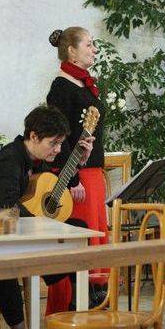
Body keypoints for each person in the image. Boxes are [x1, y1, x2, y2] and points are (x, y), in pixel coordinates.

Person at [0, 105, 93, 329]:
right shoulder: (10, 160)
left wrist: (79, 162)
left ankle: (82, 302)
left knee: (79, 228)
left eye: (60, 144)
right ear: (34, 136)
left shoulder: (32, 157)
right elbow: (6, 207)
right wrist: (44, 225)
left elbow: (50, 186)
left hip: (20, 234)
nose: (58, 150)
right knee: (4, 271)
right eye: (53, 143)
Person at [45, 27, 108, 314]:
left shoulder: (83, 83)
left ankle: (97, 305)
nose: (94, 49)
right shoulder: (61, 87)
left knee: (96, 236)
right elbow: (61, 137)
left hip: (92, 172)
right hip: (77, 178)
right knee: (81, 238)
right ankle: (74, 307)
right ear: (71, 50)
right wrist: (71, 179)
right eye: (89, 44)